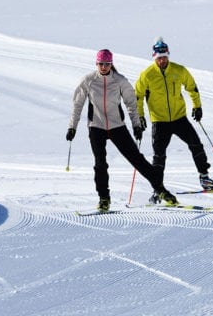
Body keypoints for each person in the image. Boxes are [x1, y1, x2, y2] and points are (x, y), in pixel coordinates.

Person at [66, 49, 178, 211]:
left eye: (107, 64)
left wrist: (136, 125)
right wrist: (72, 127)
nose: (104, 67)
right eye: (101, 64)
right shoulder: (88, 81)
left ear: (112, 64)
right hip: (96, 127)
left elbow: (131, 103)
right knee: (100, 164)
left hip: (117, 126)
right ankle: (104, 199)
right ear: (96, 64)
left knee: (137, 160)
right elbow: (77, 104)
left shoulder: (119, 81)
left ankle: (160, 190)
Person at [134, 37, 213, 203]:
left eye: (165, 56)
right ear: (154, 57)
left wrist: (197, 107)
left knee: (196, 144)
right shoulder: (147, 75)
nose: (162, 60)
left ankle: (205, 178)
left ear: (168, 55)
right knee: (159, 157)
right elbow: (137, 97)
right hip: (159, 121)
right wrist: (140, 117)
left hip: (179, 118)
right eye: (159, 57)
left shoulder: (179, 70)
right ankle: (157, 189)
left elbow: (192, 88)